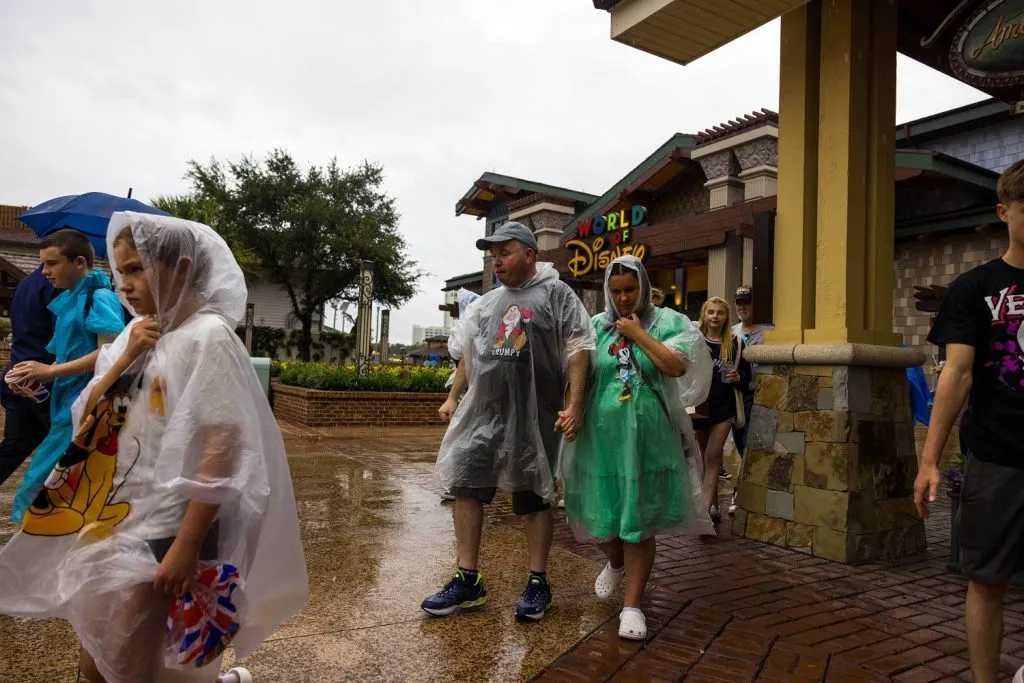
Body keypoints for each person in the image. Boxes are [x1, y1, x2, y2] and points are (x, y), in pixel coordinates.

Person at [0, 212, 308, 683]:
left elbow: (221, 444)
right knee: (99, 653)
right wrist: (127, 356)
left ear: (182, 269)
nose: (124, 284)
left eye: (136, 269)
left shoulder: (208, 337)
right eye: (120, 271)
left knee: (130, 660)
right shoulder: (138, 332)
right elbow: (88, 411)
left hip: (166, 525)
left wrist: (186, 545)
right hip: (118, 515)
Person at [421, 221, 595, 621]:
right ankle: (468, 579)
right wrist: (453, 396)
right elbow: (470, 352)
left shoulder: (556, 294)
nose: (496, 261)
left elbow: (579, 347)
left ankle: (538, 581)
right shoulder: (487, 303)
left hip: (534, 415)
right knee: (466, 486)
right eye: (493, 255)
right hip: (484, 414)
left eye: (505, 252)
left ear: (530, 255)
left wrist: (575, 405)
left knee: (534, 495)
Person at [562, 256, 712, 640]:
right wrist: (572, 411)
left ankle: (632, 606)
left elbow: (675, 367)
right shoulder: (596, 326)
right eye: (616, 291)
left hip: (649, 441)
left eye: (630, 289)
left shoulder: (668, 322)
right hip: (602, 442)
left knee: (639, 523)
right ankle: (615, 563)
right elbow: (577, 373)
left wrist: (637, 333)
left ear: (643, 286)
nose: (624, 297)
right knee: (602, 518)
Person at [915, 159, 1024, 683]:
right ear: (1004, 212)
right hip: (998, 455)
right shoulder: (974, 287)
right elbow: (956, 374)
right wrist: (929, 461)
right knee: (987, 580)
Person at [7, 229, 126, 522]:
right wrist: (38, 376)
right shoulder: (72, 298)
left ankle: (30, 539)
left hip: (84, 404)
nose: (44, 272)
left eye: (51, 263)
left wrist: (50, 371)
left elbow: (108, 354)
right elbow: (67, 354)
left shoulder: (100, 297)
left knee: (40, 481)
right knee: (56, 482)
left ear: (79, 262)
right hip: (65, 403)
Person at [692, 297, 751, 525]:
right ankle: (715, 503)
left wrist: (738, 377)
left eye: (720, 312)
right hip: (700, 405)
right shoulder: (696, 339)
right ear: (704, 315)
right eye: (711, 312)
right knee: (705, 456)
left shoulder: (735, 343)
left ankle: (705, 509)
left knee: (712, 454)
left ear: (726, 317)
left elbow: (747, 376)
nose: (715, 316)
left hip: (724, 407)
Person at [0, 265, 58, 486]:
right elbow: (63, 338)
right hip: (46, 378)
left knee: (13, 447)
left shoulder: (26, 282)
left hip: (18, 372)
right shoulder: (58, 284)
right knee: (65, 446)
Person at [728, 285, 772, 514]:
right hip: (736, 395)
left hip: (760, 393)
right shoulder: (731, 332)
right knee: (739, 441)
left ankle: (741, 490)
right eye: (738, 303)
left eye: (746, 302)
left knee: (749, 442)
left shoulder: (769, 332)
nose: (742, 307)